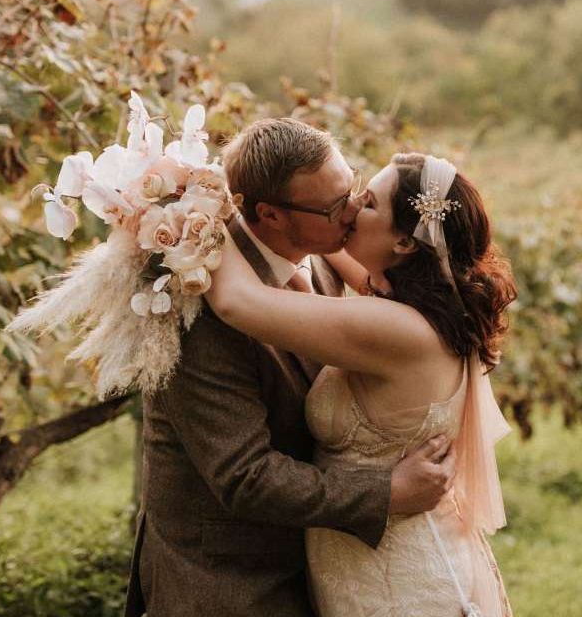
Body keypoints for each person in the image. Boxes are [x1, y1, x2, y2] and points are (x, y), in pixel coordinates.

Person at [124, 119, 455, 617]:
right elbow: (246, 476)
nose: (351, 213)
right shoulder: (196, 308)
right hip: (231, 585)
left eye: (354, 190)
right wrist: (387, 491)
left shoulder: (325, 257)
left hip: (326, 564)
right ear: (270, 215)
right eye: (330, 207)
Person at [206, 150, 517, 617]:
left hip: (405, 587)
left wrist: (194, 207)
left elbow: (235, 302)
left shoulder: (398, 329)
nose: (349, 209)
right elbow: (320, 243)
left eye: (367, 203)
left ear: (406, 244)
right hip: (371, 570)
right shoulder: (418, 299)